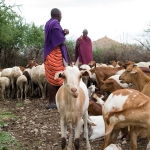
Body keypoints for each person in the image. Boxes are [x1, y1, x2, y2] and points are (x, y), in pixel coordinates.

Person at [44, 8, 69, 109]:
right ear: (58, 15)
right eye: (61, 15)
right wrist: (65, 34)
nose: (61, 17)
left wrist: (62, 32)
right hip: (54, 55)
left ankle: (55, 101)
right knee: (57, 78)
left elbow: (55, 36)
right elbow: (60, 41)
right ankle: (53, 102)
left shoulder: (49, 23)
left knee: (54, 78)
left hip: (49, 54)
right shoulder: (55, 24)